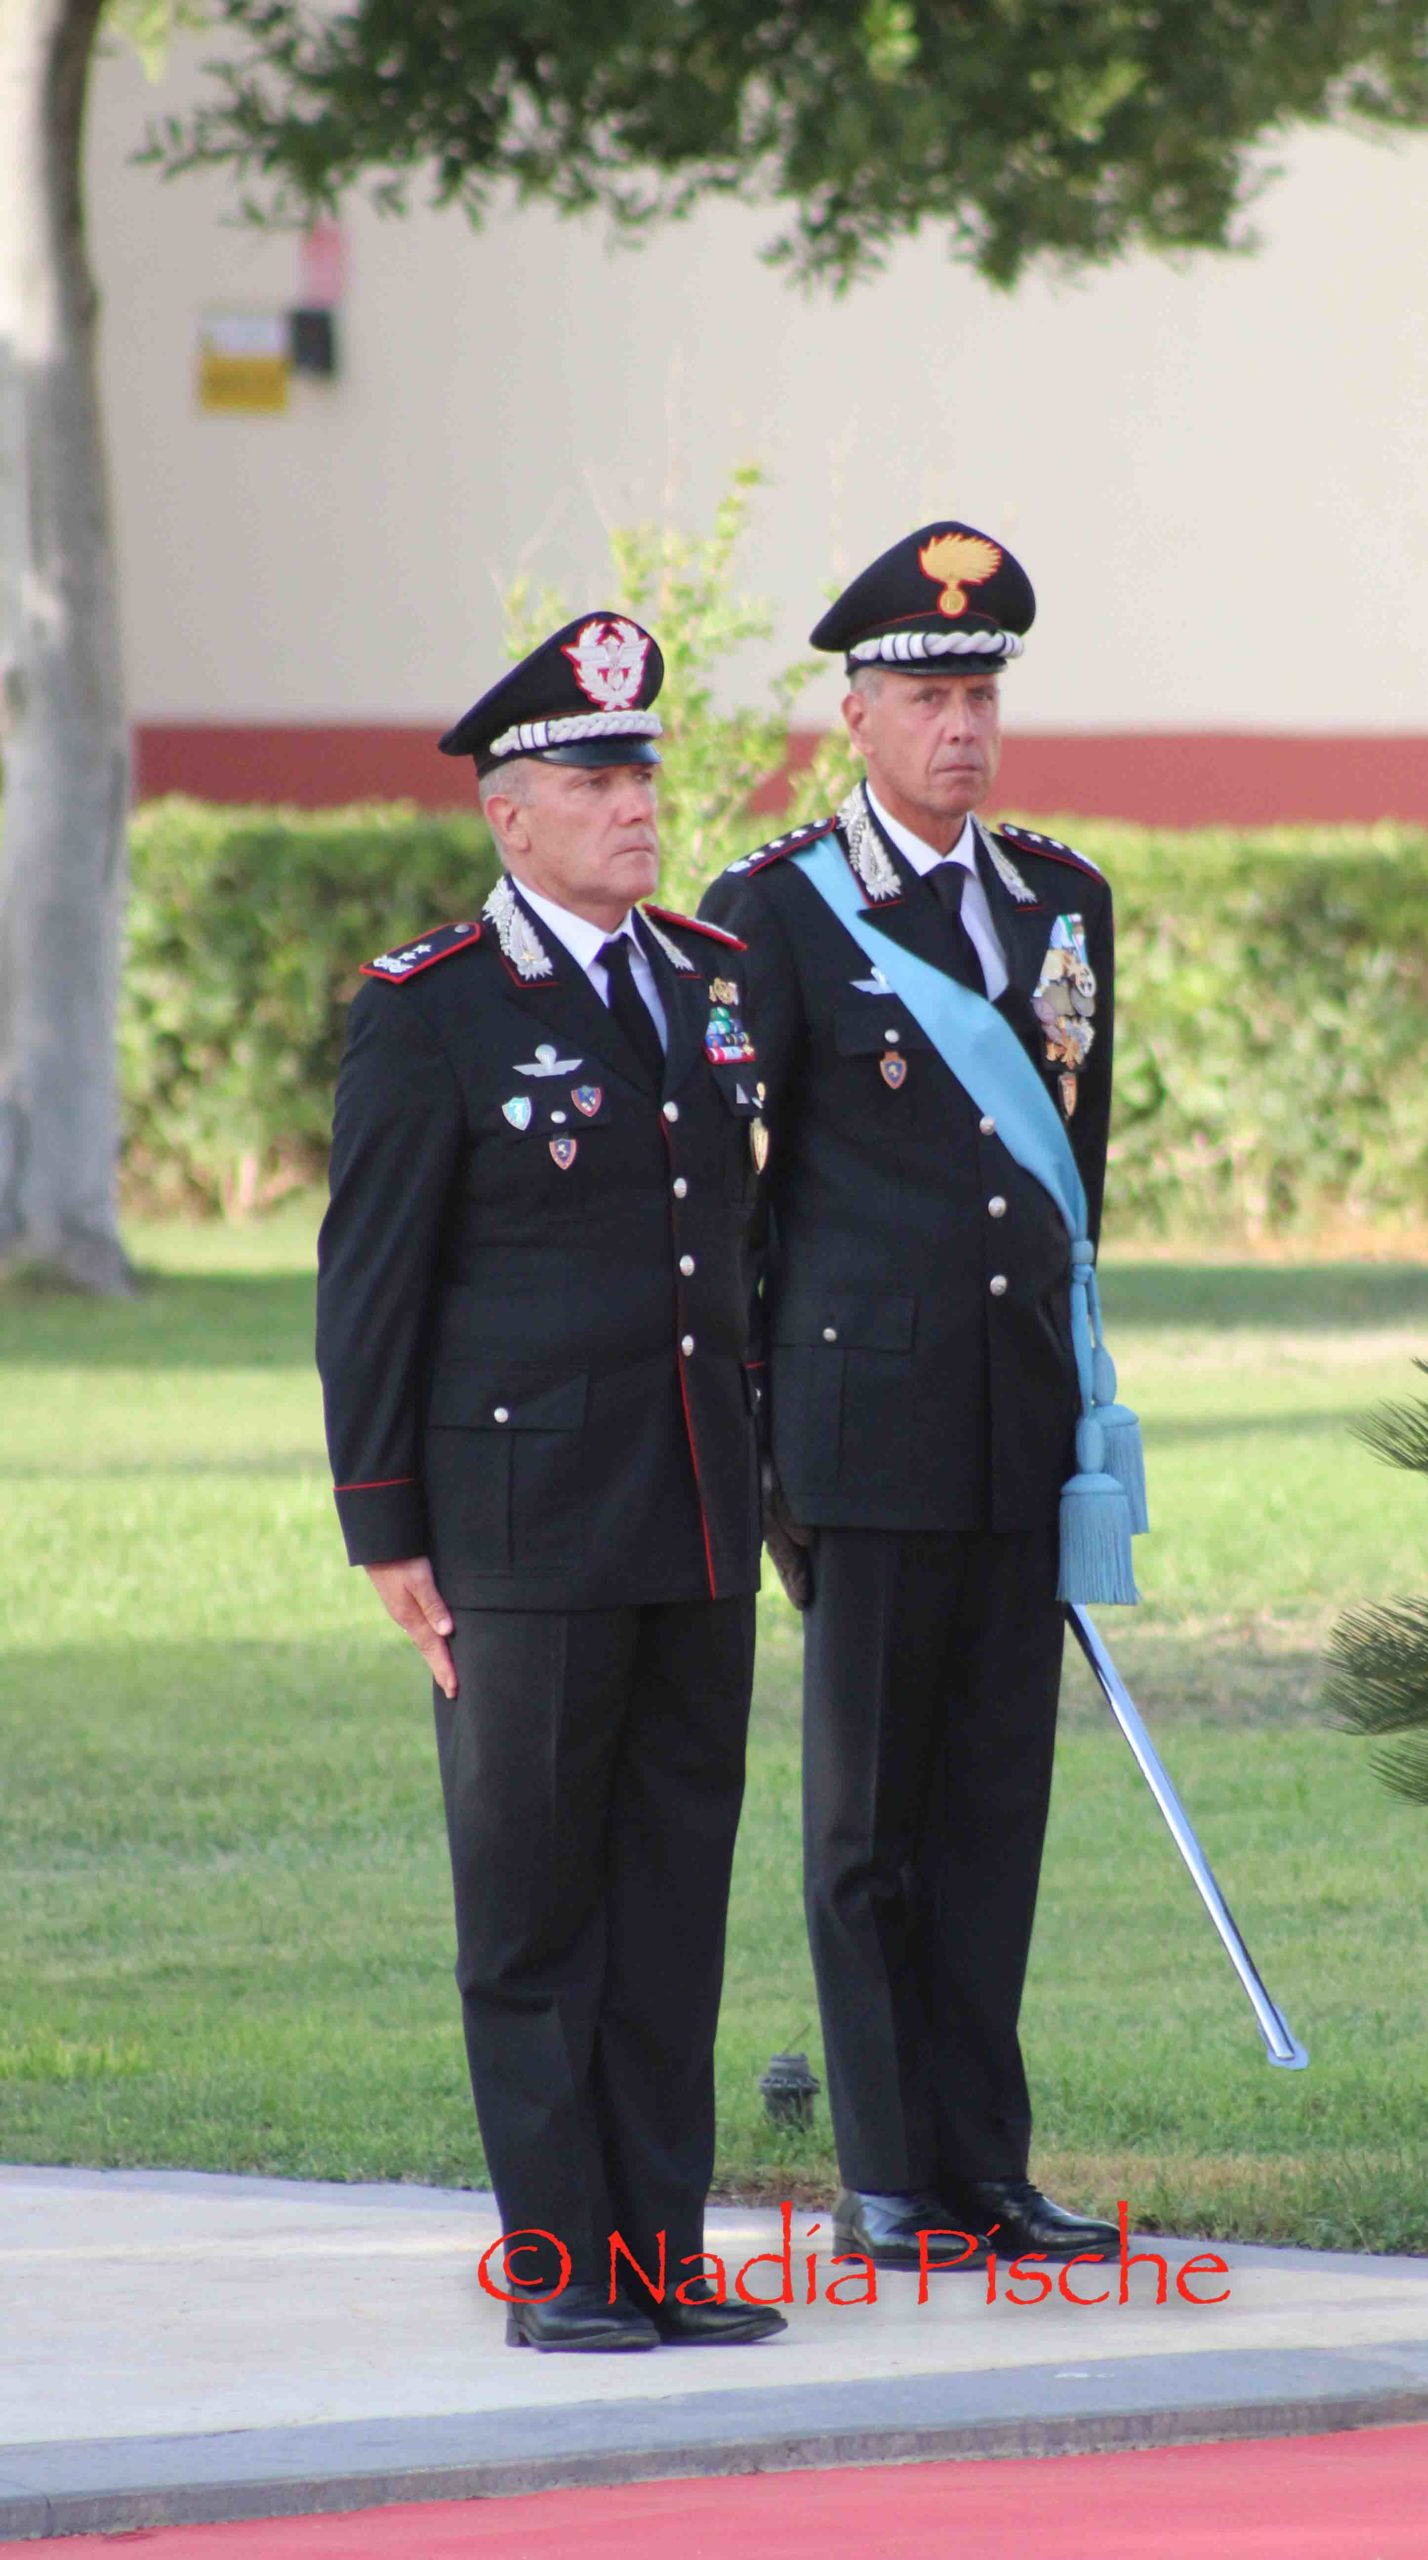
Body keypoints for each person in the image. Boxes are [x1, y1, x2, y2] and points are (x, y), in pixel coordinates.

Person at [316, 612, 782, 2351]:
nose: (634, 806)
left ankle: (660, 2253)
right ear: (510, 816)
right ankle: (560, 2266)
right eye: (594, 783)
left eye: (641, 774)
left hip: (693, 1512)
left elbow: (734, 1254)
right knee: (531, 1909)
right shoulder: (431, 1008)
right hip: (519, 1532)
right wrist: (385, 1527)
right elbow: (371, 1284)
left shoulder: (706, 975)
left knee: (671, 1902)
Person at [700, 523, 1125, 2270]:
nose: (962, 727)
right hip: (861, 1435)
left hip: (1018, 1430)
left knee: (994, 1816)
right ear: (856, 716)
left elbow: (1077, 1188)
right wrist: (764, 1446)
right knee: (869, 1823)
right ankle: (888, 2172)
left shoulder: (1063, 903)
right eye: (929, 696)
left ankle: (986, 2166)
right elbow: (734, 1210)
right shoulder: (777, 909)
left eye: (981, 695)